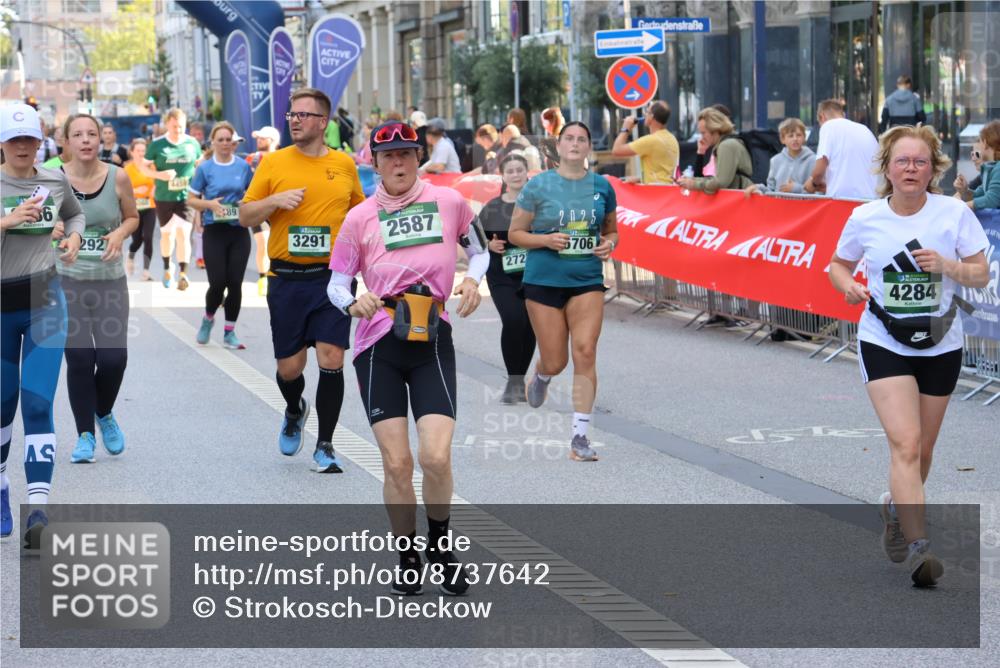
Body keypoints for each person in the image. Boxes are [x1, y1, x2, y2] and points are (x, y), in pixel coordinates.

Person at [326, 120, 488, 595]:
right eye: (388, 156)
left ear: (419, 157)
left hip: (432, 337)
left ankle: (440, 544)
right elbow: (337, 283)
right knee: (398, 464)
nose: (398, 162)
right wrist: (353, 303)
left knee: (435, 457)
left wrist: (474, 279)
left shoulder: (449, 201)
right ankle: (407, 553)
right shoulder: (359, 218)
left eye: (406, 153)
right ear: (374, 164)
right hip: (379, 344)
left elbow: (478, 252)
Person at [828, 125, 989, 587]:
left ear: (933, 167)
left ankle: (896, 508)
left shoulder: (953, 213)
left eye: (920, 161)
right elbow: (838, 265)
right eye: (902, 161)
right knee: (905, 443)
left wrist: (950, 266)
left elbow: (979, 273)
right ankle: (921, 551)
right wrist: (850, 286)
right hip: (884, 339)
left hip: (941, 342)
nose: (911, 169)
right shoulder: (866, 217)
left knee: (923, 450)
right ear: (887, 169)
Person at [240, 87, 364, 473]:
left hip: (332, 279)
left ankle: (325, 445)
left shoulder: (344, 165)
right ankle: (295, 409)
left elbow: (360, 217)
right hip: (287, 279)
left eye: (304, 115)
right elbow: (245, 215)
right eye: (292, 114)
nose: (295, 120)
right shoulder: (274, 163)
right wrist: (274, 202)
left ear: (323, 122)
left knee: (332, 357)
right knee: (289, 369)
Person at [508, 121, 618, 462]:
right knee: (557, 360)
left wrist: (608, 245)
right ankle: (542, 374)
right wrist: (545, 240)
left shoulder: (602, 187)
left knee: (585, 351)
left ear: (588, 147)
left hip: (586, 279)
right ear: (558, 146)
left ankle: (580, 437)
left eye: (581, 139)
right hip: (543, 281)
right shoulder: (538, 186)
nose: (575, 143)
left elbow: (612, 230)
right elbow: (515, 233)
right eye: (568, 138)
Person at [0, 103, 83, 546]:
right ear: (1, 144)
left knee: (36, 403)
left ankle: (38, 509)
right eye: (14, 140)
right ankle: (0, 486)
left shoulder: (53, 178)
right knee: (1, 404)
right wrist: (7, 222)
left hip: (43, 298)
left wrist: (72, 237)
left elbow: (75, 212)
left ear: (40, 142)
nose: (22, 147)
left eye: (29, 139)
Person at [59, 113, 139, 466]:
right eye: (78, 134)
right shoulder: (52, 179)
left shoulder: (118, 177)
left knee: (113, 359)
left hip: (109, 282)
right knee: (79, 358)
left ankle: (103, 412)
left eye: (92, 133)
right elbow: (38, 219)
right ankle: (84, 436)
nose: (86, 140)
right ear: (67, 142)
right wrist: (52, 229)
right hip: (66, 281)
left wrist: (120, 233)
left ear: (100, 139)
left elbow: (133, 217)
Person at [188, 122, 254, 349]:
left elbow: (253, 195)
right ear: (213, 142)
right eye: (221, 140)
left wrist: (246, 202)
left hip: (238, 230)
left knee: (235, 283)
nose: (225, 143)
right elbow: (191, 199)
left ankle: (229, 333)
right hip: (214, 230)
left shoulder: (243, 167)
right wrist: (209, 204)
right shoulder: (205, 168)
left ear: (234, 143)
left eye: (229, 140)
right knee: (217, 283)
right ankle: (208, 318)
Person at [480, 154, 536, 403]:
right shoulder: (493, 206)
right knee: (513, 320)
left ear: (527, 173)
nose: (515, 174)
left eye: (519, 170)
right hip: (501, 275)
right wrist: (489, 245)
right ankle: (514, 379)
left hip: (534, 274)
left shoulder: (538, 204)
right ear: (503, 175)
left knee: (530, 326)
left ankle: (518, 381)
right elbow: (473, 237)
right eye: (510, 171)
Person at [139, 108, 202, 290]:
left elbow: (199, 164)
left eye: (181, 127)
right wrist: (160, 175)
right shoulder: (157, 145)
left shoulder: (192, 143)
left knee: (183, 234)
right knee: (168, 235)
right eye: (174, 127)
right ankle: (168, 267)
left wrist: (197, 182)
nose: (178, 130)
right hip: (164, 197)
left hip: (186, 197)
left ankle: (183, 274)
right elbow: (143, 169)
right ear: (167, 124)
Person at [805, 99, 879, 199]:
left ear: (822, 116)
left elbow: (819, 171)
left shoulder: (828, 126)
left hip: (844, 202)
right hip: (872, 200)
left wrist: (813, 184)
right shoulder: (864, 129)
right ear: (842, 114)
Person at [677, 107, 753, 193]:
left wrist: (694, 184)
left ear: (715, 130)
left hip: (740, 200)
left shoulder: (726, 146)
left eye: (703, 133)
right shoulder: (727, 143)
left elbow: (721, 182)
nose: (701, 138)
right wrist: (693, 180)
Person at [247, 125, 281, 296]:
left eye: (263, 138)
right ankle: (263, 278)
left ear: (272, 140)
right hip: (258, 208)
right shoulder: (251, 159)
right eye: (258, 138)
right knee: (262, 241)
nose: (259, 140)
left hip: (279, 209)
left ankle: (276, 275)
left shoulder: (283, 159)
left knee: (277, 244)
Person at [612, 100, 679, 184]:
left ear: (651, 116)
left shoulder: (651, 140)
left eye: (647, 112)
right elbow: (662, 173)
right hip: (667, 190)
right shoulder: (672, 138)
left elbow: (616, 150)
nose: (644, 115)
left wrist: (625, 128)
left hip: (654, 193)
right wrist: (641, 179)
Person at [745, 117, 817, 195]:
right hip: (780, 206)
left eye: (799, 135)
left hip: (804, 206)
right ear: (782, 139)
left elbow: (818, 192)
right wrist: (758, 188)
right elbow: (771, 190)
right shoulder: (775, 161)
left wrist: (796, 188)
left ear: (804, 138)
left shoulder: (813, 160)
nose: (795, 139)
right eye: (790, 136)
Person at [124, 138, 157, 281]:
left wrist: (152, 191)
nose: (141, 153)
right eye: (138, 151)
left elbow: (156, 182)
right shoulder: (127, 169)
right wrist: (136, 191)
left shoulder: (151, 166)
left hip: (150, 206)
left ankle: (146, 271)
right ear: (132, 152)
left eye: (143, 151)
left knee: (148, 237)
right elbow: (124, 190)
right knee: (137, 240)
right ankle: (130, 255)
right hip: (134, 208)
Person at [954, 120, 1000, 212]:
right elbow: (980, 194)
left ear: (985, 142)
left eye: (980, 140)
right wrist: (964, 191)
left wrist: (962, 207)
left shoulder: (998, 168)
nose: (974, 158)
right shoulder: (991, 169)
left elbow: (992, 200)